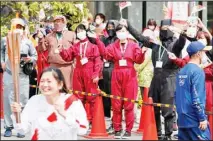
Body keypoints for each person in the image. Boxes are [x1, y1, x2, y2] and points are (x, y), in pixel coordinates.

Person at [121, 18, 187, 140]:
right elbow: (141, 38)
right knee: (154, 108)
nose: (164, 31)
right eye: (162, 29)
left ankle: (168, 135)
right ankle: (158, 133)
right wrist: (128, 25)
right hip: (156, 78)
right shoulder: (156, 44)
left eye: (167, 29)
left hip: (169, 78)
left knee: (167, 109)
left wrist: (182, 31)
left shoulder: (175, 44)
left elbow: (182, 42)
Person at [93, 24, 145, 139]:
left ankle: (128, 129)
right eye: (119, 31)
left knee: (129, 104)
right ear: (116, 33)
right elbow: (105, 54)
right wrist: (98, 41)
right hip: (116, 73)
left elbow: (139, 60)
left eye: (123, 30)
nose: (121, 32)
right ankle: (117, 128)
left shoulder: (133, 45)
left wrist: (142, 52)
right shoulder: (112, 46)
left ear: (127, 33)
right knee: (116, 104)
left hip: (130, 74)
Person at [11, 67, 89, 140]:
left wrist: (65, 114)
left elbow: (82, 130)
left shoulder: (73, 102)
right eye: (42, 81)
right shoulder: (34, 101)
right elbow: (22, 130)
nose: (45, 85)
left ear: (60, 84)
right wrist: (16, 115)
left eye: (49, 81)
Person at [58, 24, 103, 124]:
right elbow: (68, 57)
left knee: (92, 96)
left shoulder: (93, 46)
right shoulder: (75, 46)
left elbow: (97, 61)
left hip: (89, 72)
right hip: (78, 71)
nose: (80, 33)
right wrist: (61, 50)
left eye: (81, 30)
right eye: (78, 31)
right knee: (78, 97)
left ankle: (92, 119)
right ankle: (80, 118)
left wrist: (96, 74)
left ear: (86, 31)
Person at [1, 17, 38, 138]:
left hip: (22, 76)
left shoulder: (28, 42)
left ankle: (21, 126)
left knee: (22, 101)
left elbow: (35, 56)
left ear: (23, 29)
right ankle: (8, 126)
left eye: (20, 27)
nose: (18, 29)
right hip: (9, 75)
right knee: (8, 101)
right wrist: (2, 62)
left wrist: (30, 59)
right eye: (16, 27)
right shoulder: (5, 40)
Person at [175, 41, 211, 140]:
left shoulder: (182, 71)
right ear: (198, 53)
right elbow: (197, 97)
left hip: (182, 119)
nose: (205, 55)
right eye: (204, 52)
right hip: (195, 120)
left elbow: (176, 95)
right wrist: (202, 118)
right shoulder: (197, 71)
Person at [43, 15, 76, 90]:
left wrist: (75, 64)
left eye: (60, 22)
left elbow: (75, 50)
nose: (58, 24)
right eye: (56, 22)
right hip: (53, 66)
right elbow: (43, 49)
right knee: (53, 87)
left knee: (67, 88)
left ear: (64, 23)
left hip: (67, 67)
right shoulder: (49, 36)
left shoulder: (71, 34)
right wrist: (41, 39)